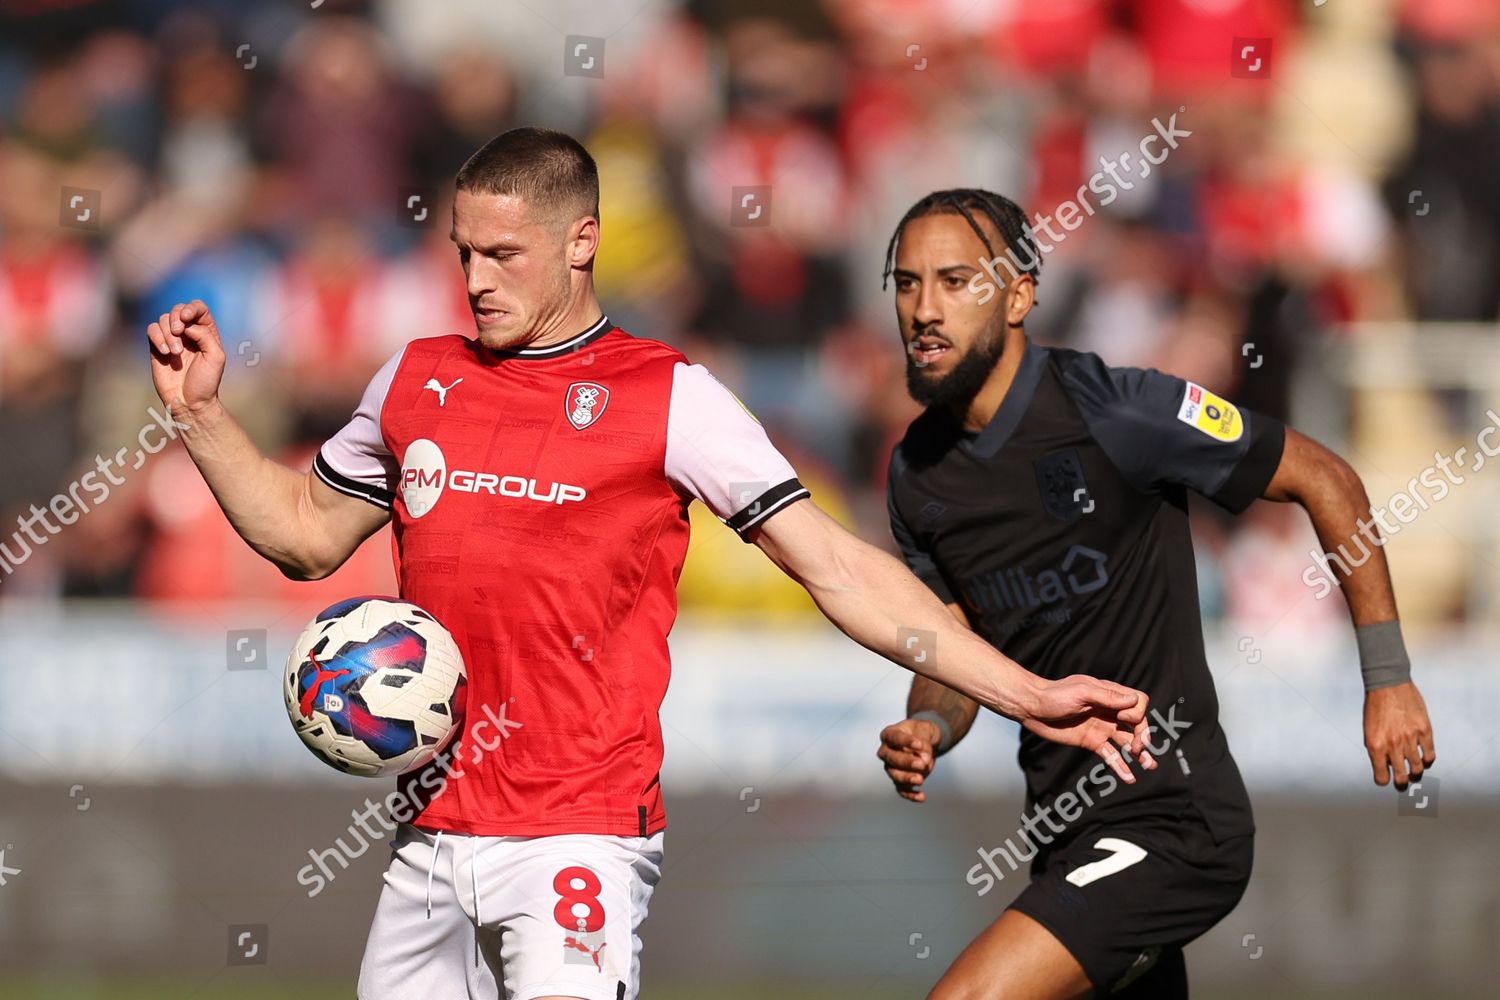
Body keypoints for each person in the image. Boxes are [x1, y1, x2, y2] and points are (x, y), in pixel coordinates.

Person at [144, 132, 1155, 1000]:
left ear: (582, 240)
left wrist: (1025, 692)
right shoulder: (417, 378)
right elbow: (304, 532)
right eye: (464, 254)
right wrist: (200, 414)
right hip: (426, 835)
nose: (478, 280)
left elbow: (839, 568)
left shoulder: (670, 397)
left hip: (574, 839)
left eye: (504, 254)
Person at [873, 189, 1436, 999]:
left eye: (956, 281)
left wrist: (1387, 677)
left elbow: (1326, 478)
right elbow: (957, 649)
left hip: (1173, 823)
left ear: (1021, 294)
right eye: (906, 282)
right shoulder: (915, 476)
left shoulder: (1116, 409)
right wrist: (930, 722)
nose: (924, 308)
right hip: (1063, 833)